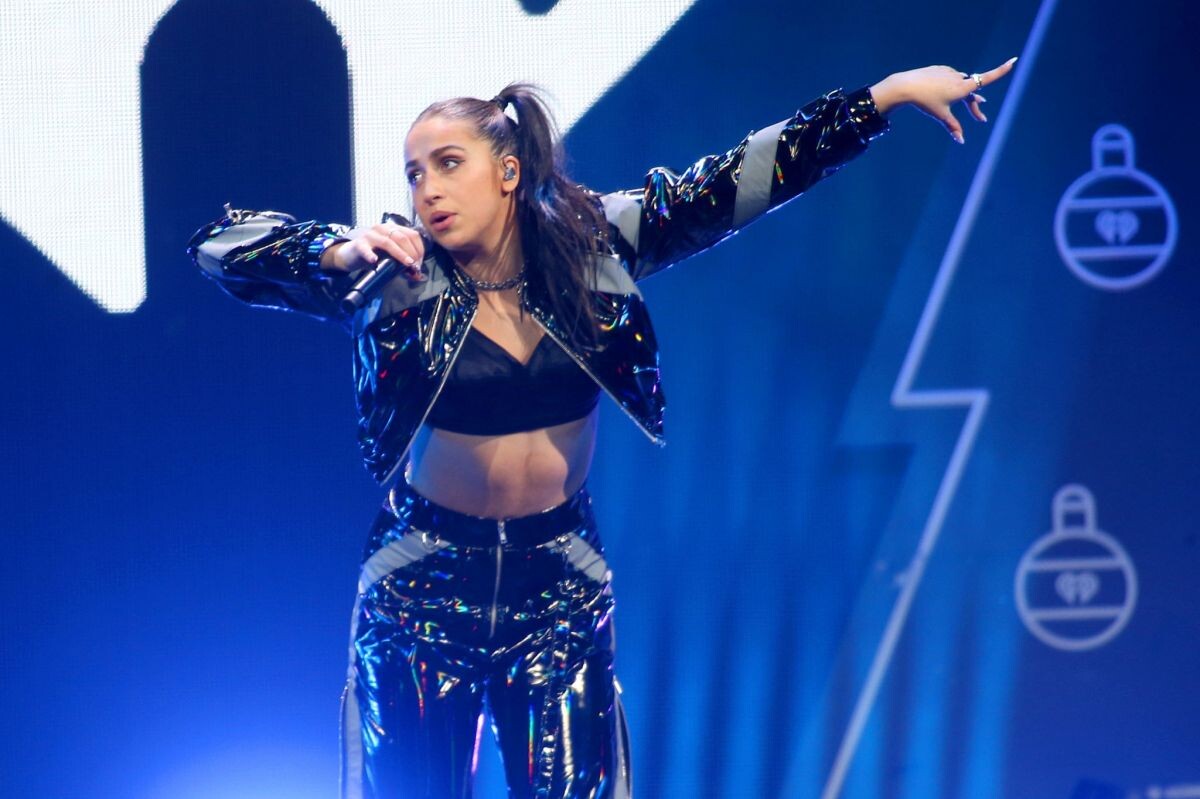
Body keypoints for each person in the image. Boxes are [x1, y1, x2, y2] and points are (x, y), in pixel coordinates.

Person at [187, 58, 1016, 799]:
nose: (426, 189)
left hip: (558, 585)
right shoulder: (392, 275)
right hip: (420, 589)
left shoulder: (596, 245)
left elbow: (739, 179)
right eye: (414, 173)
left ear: (508, 171)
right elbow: (218, 247)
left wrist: (883, 98)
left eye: (448, 163)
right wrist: (332, 252)